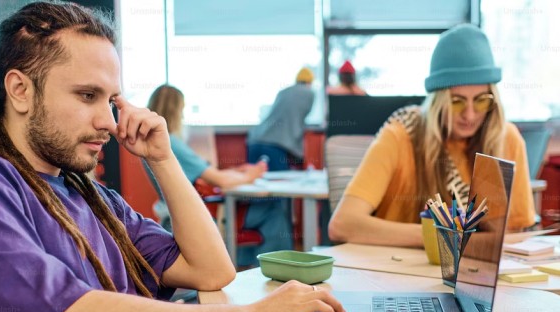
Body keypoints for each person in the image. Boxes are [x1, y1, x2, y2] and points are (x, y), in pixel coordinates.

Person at [0, 2, 345, 312]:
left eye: (111, 101)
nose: (108, 123)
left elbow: (212, 271)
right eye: (86, 95)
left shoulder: (98, 203)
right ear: (20, 90)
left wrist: (163, 159)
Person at [328, 24, 535, 248]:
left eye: (481, 100)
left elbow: (514, 234)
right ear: (438, 102)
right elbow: (343, 225)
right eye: (456, 102)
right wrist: (444, 236)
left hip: (475, 272)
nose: (470, 114)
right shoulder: (401, 134)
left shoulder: (506, 139)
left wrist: (469, 240)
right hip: (396, 272)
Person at [147, 84, 293, 266]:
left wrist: (238, 171)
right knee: (274, 212)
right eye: (182, 110)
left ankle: (255, 266)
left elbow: (206, 174)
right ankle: (274, 270)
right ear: (176, 111)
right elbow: (220, 180)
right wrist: (252, 174)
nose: (183, 116)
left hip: (189, 210)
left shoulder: (156, 142)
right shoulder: (171, 144)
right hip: (206, 213)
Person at [247, 67, 315, 171]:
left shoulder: (283, 92)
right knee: (280, 184)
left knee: (254, 182)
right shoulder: (308, 93)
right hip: (276, 147)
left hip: (255, 141)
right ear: (310, 82)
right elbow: (300, 120)